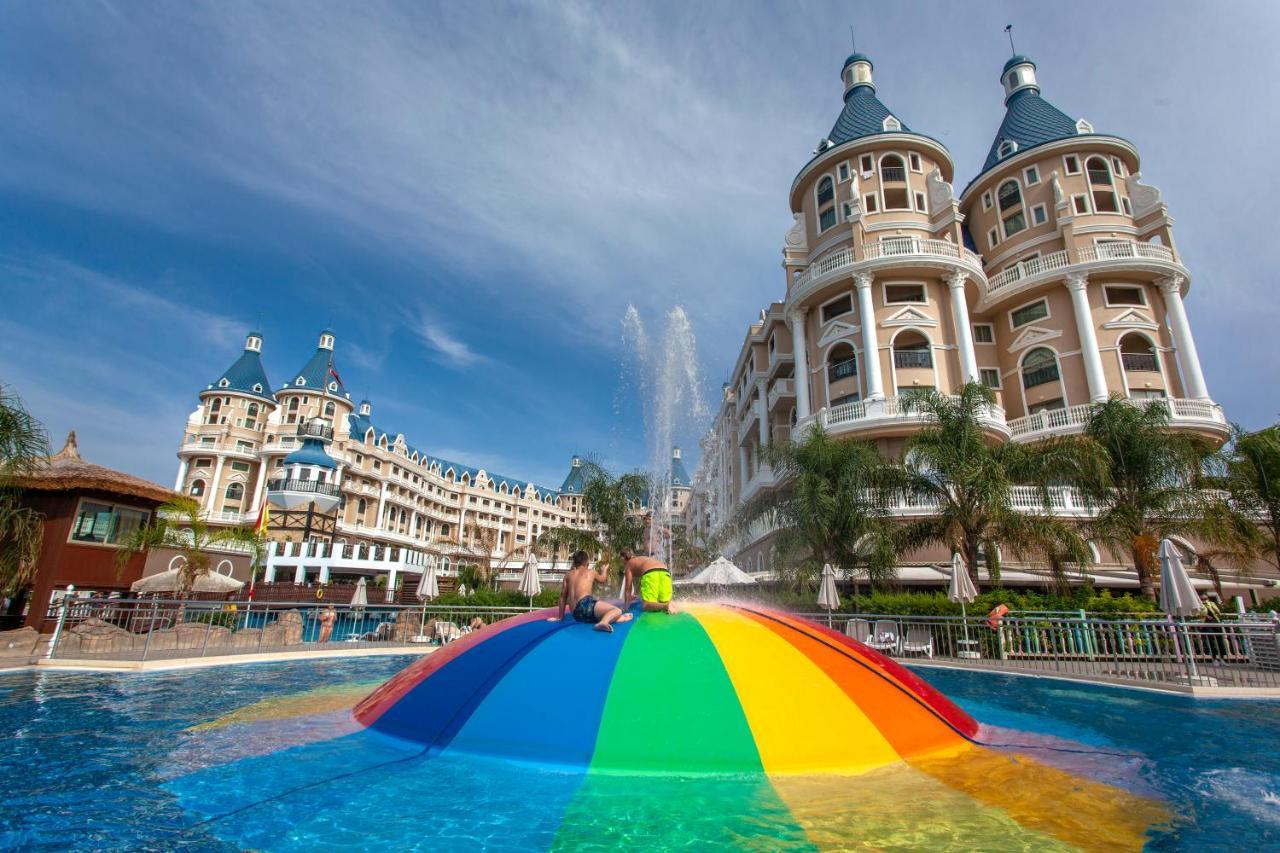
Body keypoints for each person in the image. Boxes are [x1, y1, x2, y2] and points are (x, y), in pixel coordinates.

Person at [549, 550, 631, 632]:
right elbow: (602, 579)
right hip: (586, 604)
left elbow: (562, 597)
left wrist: (560, 617)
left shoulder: (568, 575)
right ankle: (603, 622)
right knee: (617, 610)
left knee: (609, 615)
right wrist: (604, 569)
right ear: (587, 563)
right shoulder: (591, 572)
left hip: (576, 614)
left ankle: (621, 618)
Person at [621, 547, 673, 613]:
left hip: (651, 573)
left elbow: (628, 588)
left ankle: (666, 606)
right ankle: (669, 604)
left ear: (622, 558)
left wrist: (626, 607)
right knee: (662, 601)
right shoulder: (641, 559)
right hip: (665, 572)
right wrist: (635, 594)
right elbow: (642, 580)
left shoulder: (629, 564)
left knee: (646, 605)